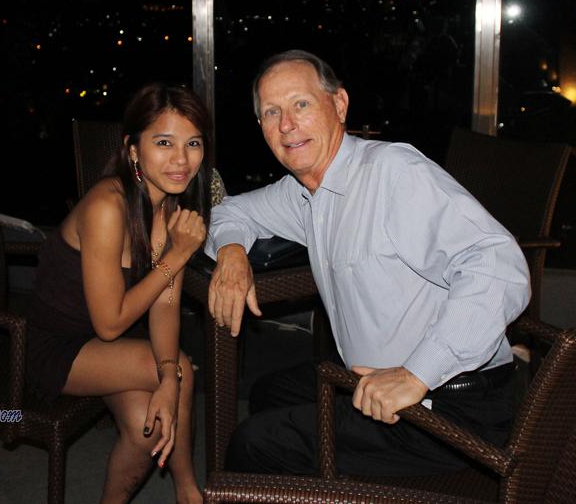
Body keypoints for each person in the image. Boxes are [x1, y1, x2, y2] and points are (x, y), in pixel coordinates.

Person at [205, 50, 531, 476]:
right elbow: (230, 211)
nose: (286, 124)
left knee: (254, 443)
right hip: (369, 381)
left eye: (301, 104)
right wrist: (232, 253)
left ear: (339, 104)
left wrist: (416, 374)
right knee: (271, 392)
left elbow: (499, 265)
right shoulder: (304, 191)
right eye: (271, 112)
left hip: (451, 404)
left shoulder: (392, 173)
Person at [26, 82, 209, 503]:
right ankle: (188, 492)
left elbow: (165, 307)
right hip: (59, 348)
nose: (181, 159)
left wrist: (166, 376)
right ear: (133, 149)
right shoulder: (107, 207)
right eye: (164, 142)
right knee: (182, 369)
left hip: (112, 342)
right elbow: (109, 324)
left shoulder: (169, 204)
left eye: (193, 143)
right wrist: (178, 255)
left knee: (147, 427)